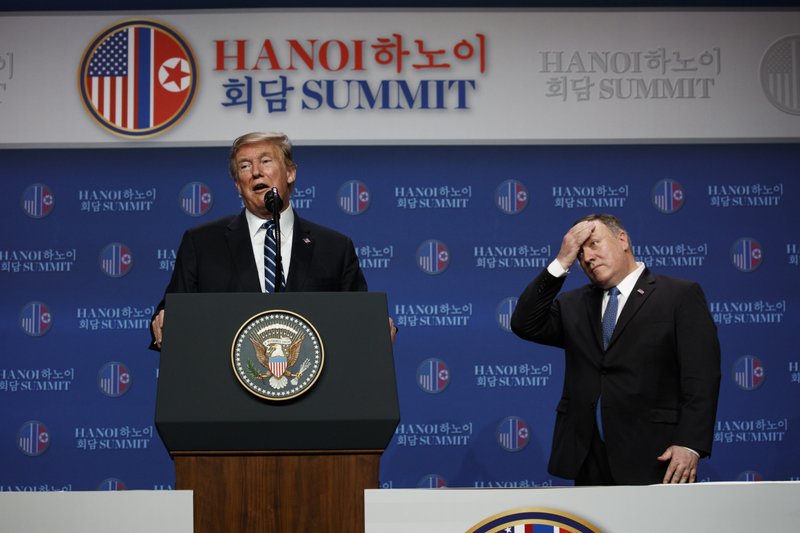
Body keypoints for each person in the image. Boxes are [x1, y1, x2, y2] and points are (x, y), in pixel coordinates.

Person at [510, 213, 720, 486]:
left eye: (594, 243)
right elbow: (525, 323)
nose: (587, 257)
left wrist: (689, 444)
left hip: (657, 455)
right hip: (588, 456)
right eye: (580, 252)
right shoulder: (573, 304)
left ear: (622, 240)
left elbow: (701, 377)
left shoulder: (678, 296)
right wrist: (561, 262)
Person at [150, 131, 396, 349]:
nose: (256, 171)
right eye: (244, 166)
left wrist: (374, 327)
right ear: (238, 185)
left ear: (290, 172)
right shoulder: (202, 243)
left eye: (266, 161)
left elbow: (358, 317)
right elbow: (172, 313)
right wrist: (164, 319)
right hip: (225, 391)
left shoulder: (334, 247)